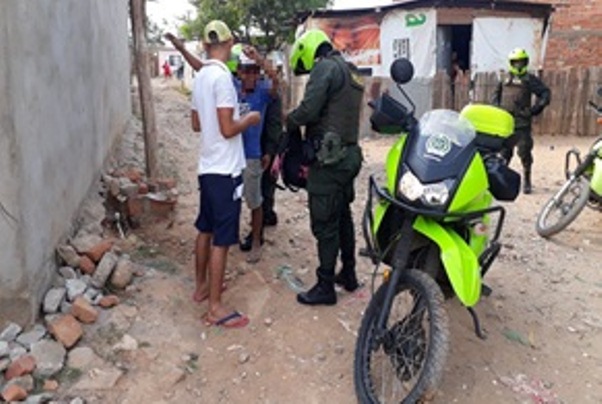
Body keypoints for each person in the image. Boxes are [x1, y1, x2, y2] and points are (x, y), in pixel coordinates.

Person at [190, 20, 260, 328]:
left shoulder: (201, 77)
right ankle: (216, 308)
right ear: (230, 42)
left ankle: (202, 287)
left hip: (207, 165)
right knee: (222, 239)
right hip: (225, 170)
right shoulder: (222, 79)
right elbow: (228, 128)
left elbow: (196, 124)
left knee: (205, 228)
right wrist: (250, 119)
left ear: (206, 45)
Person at [286, 29, 364, 306]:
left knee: (325, 222)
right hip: (349, 155)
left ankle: (325, 285)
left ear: (308, 50)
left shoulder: (325, 68)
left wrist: (289, 120)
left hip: (329, 161)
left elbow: (308, 110)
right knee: (342, 215)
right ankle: (349, 273)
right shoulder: (349, 70)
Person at [232, 46, 279, 263]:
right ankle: (229, 236)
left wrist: (259, 59)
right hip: (231, 155)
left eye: (255, 71)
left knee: (255, 201)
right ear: (239, 72)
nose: (251, 75)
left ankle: (257, 240)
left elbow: (277, 81)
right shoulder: (231, 88)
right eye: (246, 70)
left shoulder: (262, 92)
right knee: (231, 199)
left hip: (251, 155)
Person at [492, 48, 551, 194]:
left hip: (522, 123)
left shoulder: (529, 79)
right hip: (505, 122)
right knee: (504, 153)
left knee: (524, 152)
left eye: (521, 62)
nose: (518, 65)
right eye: (516, 62)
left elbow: (545, 93)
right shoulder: (504, 78)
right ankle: (501, 180)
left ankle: (527, 180)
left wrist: (535, 109)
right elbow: (495, 97)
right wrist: (497, 112)